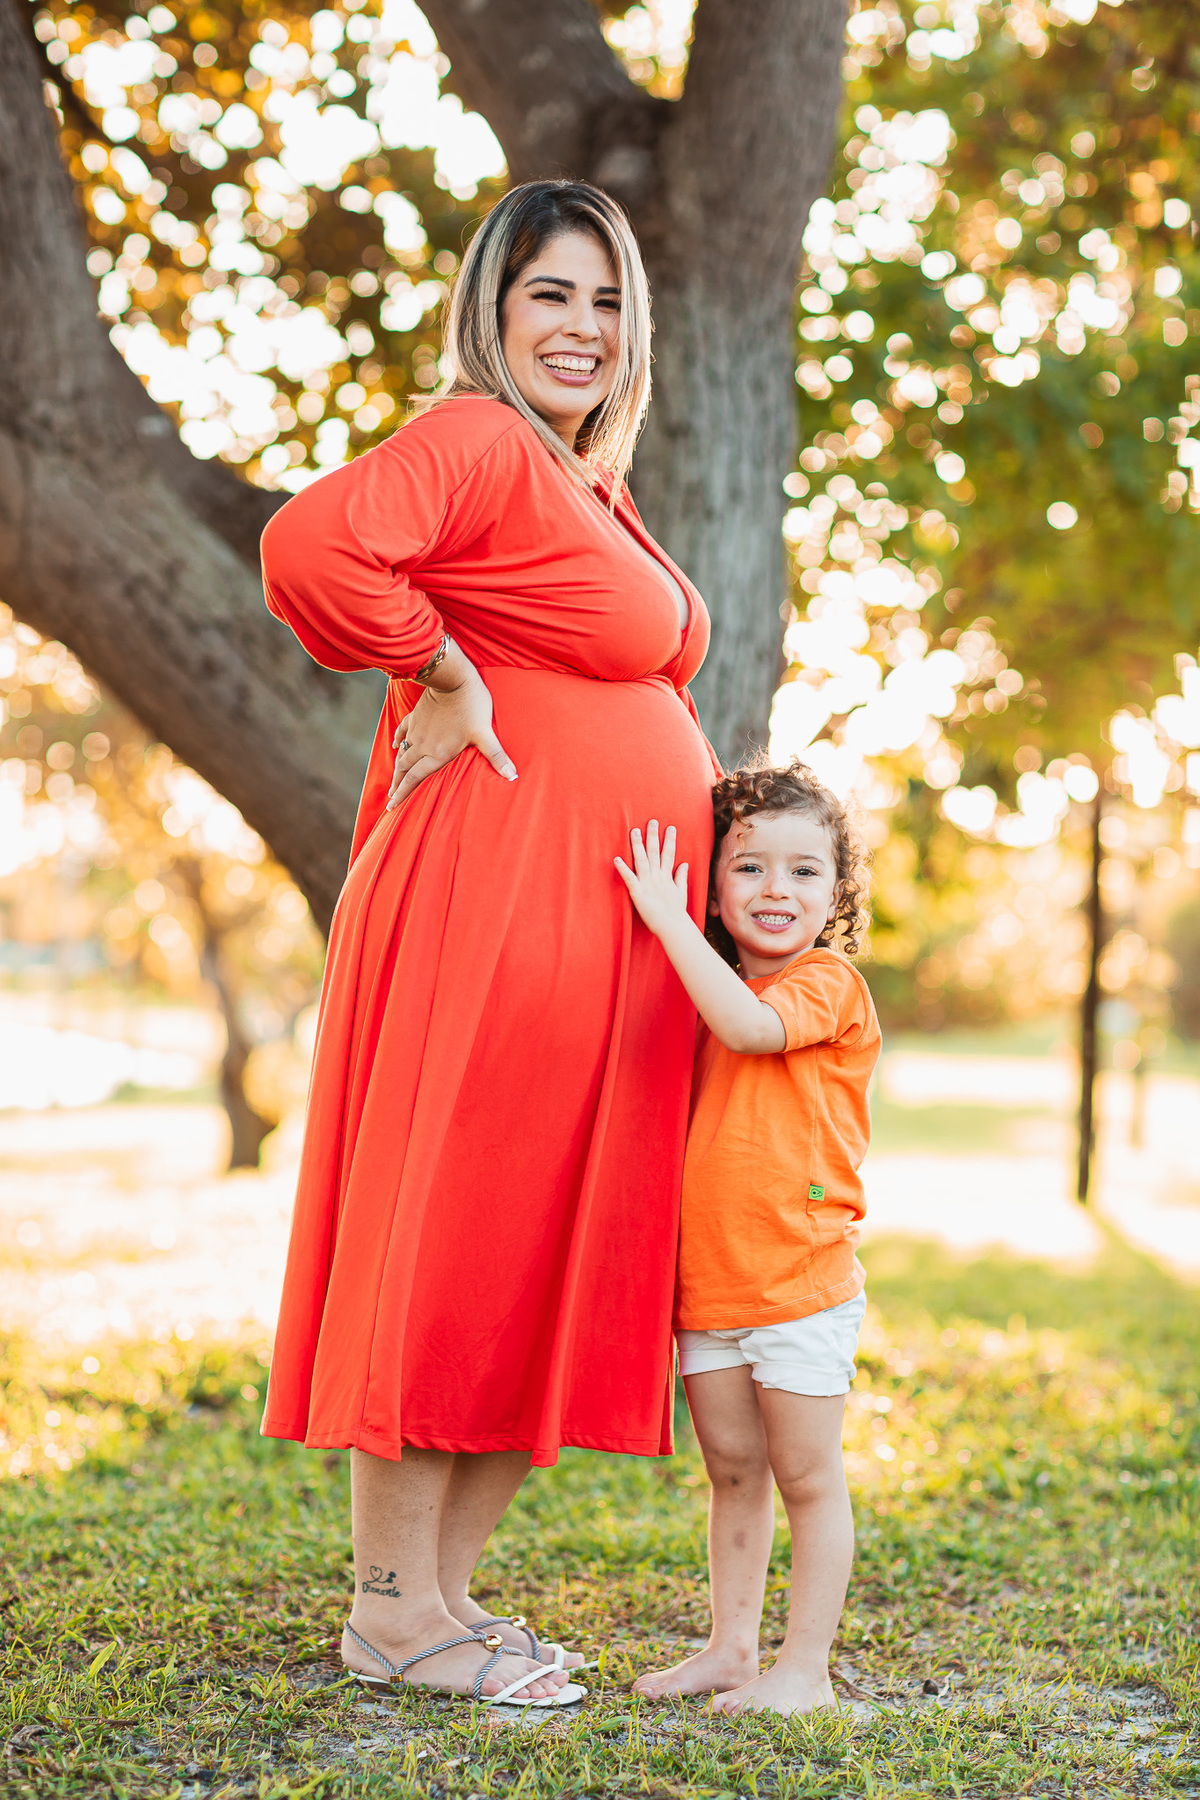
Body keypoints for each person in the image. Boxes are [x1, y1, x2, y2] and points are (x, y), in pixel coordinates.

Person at [258, 180, 718, 1704]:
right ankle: (390, 1610)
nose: (580, 328)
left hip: (605, 927)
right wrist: (442, 667)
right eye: (549, 296)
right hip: (499, 898)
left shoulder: (583, 482)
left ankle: (438, 1602)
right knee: (462, 1219)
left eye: (605, 302)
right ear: (492, 311)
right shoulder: (470, 435)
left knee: (538, 1241)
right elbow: (315, 550)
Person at [614, 761, 879, 1717]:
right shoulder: (703, 980)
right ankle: (731, 1649)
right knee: (733, 1473)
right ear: (715, 887)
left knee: (806, 1478)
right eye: (751, 868)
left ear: (836, 892)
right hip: (711, 1285)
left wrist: (666, 919)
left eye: (805, 872)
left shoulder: (826, 985)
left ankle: (802, 1670)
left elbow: (752, 1028)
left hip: (800, 1283)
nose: (777, 890)